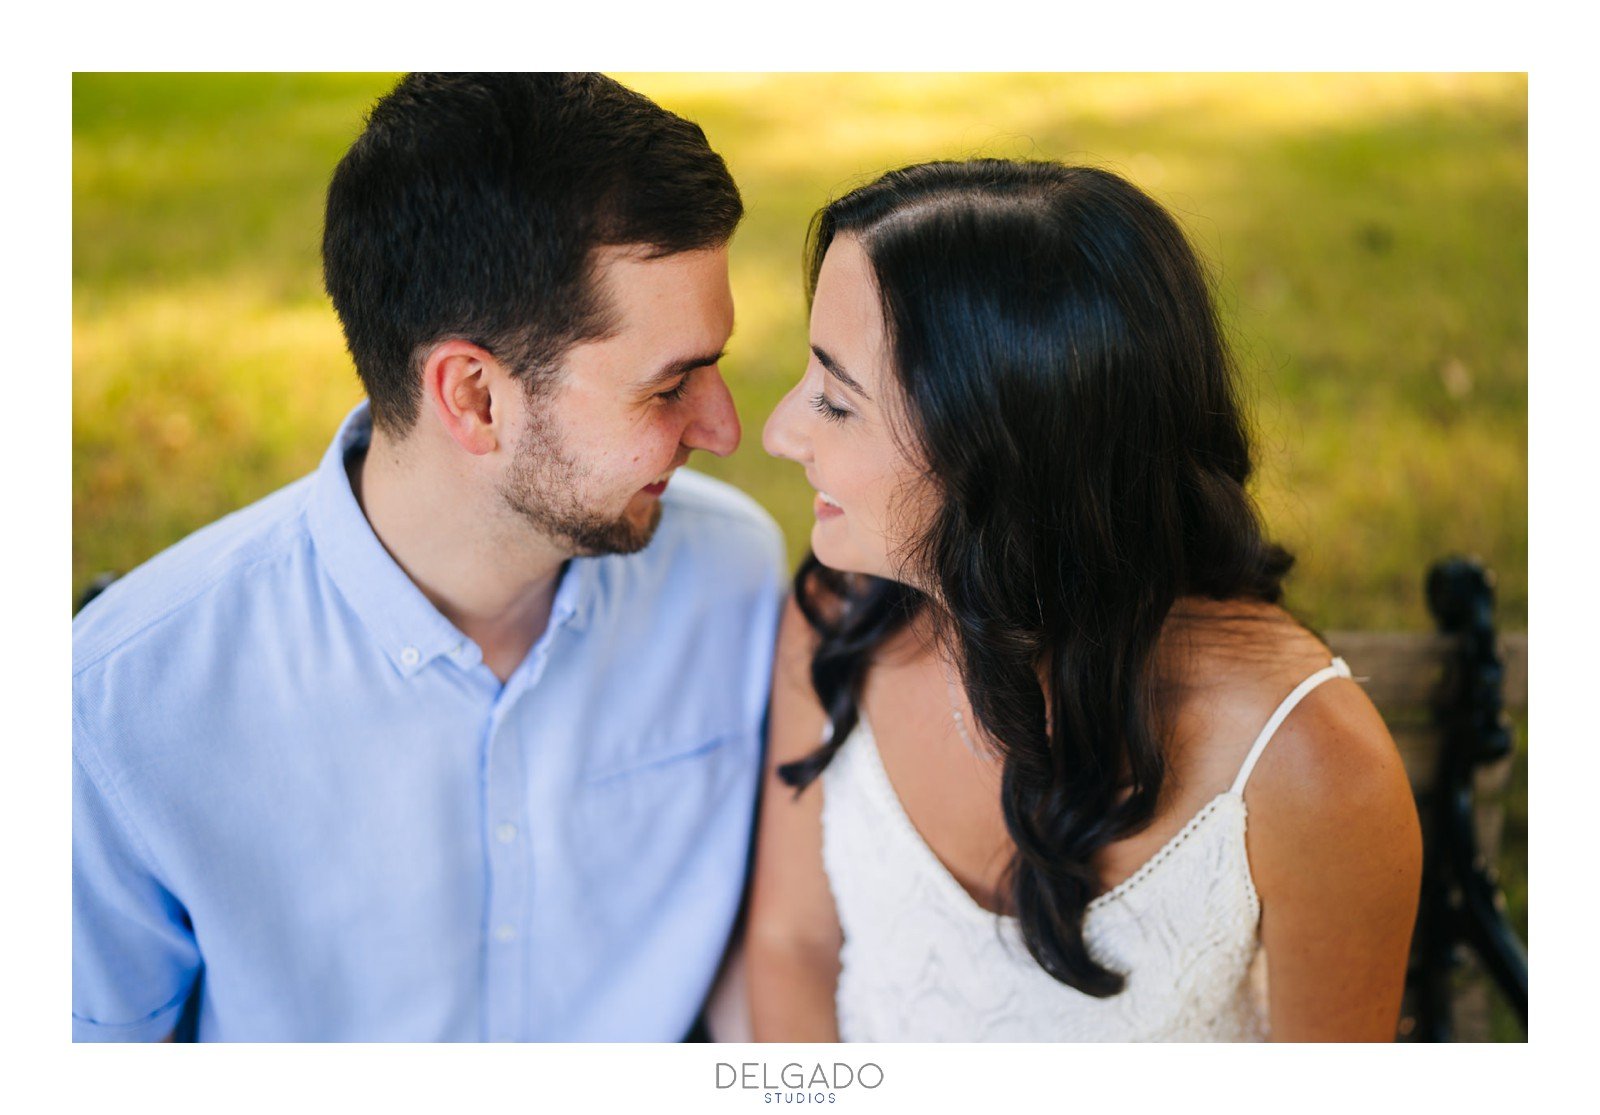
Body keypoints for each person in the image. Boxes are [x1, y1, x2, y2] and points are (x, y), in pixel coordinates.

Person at [72, 73, 785, 1042]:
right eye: (670, 387)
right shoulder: (127, 705)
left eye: (716, 365)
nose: (725, 426)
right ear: (476, 398)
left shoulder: (730, 578)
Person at [748, 159, 1423, 1041]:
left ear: (1007, 456)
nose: (777, 430)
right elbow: (791, 943)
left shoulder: (1310, 768)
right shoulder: (841, 622)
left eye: (837, 401)